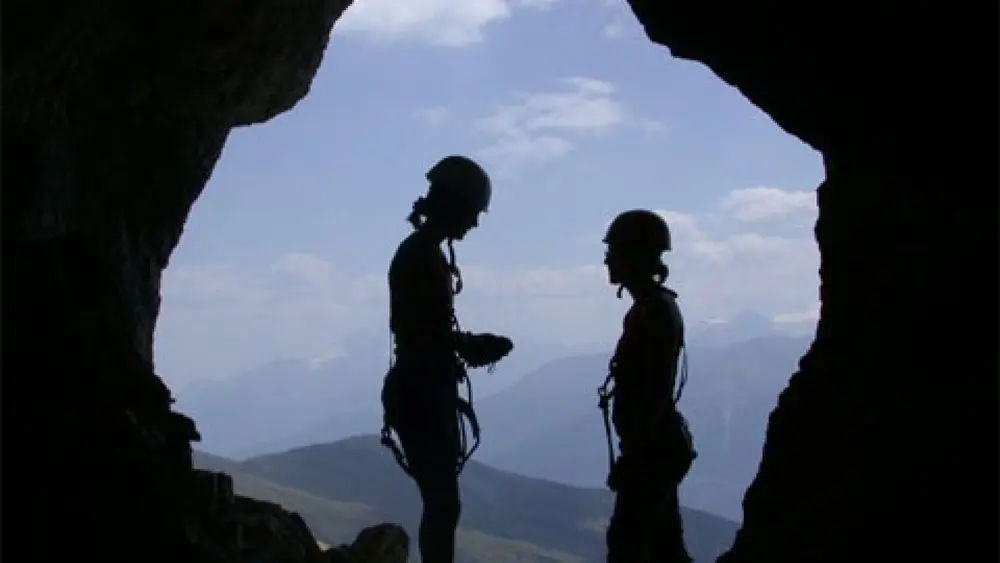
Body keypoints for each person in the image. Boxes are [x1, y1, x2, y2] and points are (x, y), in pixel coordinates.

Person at [379, 155, 514, 563]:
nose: (473, 224)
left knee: (441, 502)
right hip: (422, 390)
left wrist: (464, 345)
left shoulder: (423, 252)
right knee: (443, 503)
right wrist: (468, 346)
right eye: (472, 214)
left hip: (421, 386)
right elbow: (423, 331)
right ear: (454, 207)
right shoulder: (423, 256)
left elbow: (421, 328)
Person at [597, 209, 697, 563]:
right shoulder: (653, 307)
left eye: (615, 251)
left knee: (628, 544)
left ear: (634, 256)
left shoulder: (654, 311)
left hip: (652, 449)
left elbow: (655, 390)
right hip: (659, 447)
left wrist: (634, 454)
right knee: (664, 547)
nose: (607, 259)